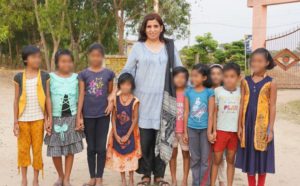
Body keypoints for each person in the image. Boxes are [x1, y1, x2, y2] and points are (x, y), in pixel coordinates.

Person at [114, 13, 182, 186]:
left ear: (161, 28)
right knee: (144, 139)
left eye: (155, 26)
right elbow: (127, 71)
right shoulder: (138, 47)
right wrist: (115, 91)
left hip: (164, 100)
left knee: (162, 138)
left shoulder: (170, 47)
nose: (152, 30)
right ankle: (145, 175)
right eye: (149, 26)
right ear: (145, 29)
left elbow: (179, 70)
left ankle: (159, 176)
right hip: (142, 101)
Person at [236, 48, 277, 186]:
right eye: (253, 61)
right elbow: (242, 103)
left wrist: (270, 129)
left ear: (266, 63)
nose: (255, 63)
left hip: (263, 125)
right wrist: (240, 126)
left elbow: (272, 106)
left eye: (259, 61)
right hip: (247, 124)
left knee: (262, 157)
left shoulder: (271, 82)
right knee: (249, 157)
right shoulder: (245, 81)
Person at [44, 49, 85, 186]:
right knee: (55, 149)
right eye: (63, 61)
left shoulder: (76, 78)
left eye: (69, 61)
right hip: (55, 117)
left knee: (69, 149)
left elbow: (80, 97)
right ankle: (60, 176)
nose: (66, 64)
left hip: (72, 118)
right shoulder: (50, 78)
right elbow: (47, 98)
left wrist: (79, 117)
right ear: (57, 62)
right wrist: (48, 118)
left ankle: (67, 178)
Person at [13, 45, 52, 186]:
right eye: (34, 57)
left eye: (38, 56)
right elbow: (16, 100)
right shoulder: (18, 77)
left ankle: (36, 179)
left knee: (37, 150)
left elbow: (47, 97)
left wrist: (49, 119)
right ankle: (24, 179)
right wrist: (15, 121)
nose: (37, 59)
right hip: (23, 120)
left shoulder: (44, 76)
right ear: (26, 59)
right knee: (23, 150)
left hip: (39, 120)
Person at [77, 43, 115, 186]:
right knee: (91, 147)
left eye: (98, 55)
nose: (95, 58)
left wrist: (111, 102)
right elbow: (81, 94)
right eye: (93, 55)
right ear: (88, 56)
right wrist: (79, 116)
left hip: (103, 116)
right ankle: (92, 177)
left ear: (102, 57)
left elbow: (110, 92)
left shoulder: (109, 73)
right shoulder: (83, 74)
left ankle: (99, 178)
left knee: (100, 147)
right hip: (88, 115)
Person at [106, 73, 141, 186]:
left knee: (131, 157)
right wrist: (115, 134)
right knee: (119, 157)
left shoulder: (135, 100)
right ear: (119, 85)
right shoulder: (115, 99)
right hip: (118, 131)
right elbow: (113, 118)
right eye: (123, 84)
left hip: (131, 132)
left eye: (128, 84)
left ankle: (131, 179)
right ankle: (123, 181)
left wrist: (128, 134)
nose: (125, 87)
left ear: (132, 86)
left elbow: (135, 119)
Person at [183, 64, 215, 186]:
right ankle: (195, 183)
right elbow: (186, 112)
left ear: (204, 78)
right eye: (192, 76)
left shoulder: (209, 92)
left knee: (205, 160)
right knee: (195, 158)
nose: (193, 78)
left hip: (205, 129)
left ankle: (204, 184)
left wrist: (209, 132)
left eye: (196, 76)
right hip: (192, 129)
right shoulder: (188, 92)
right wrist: (185, 132)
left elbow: (211, 114)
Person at [210, 62, 241, 186]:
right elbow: (214, 113)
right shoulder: (217, 91)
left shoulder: (241, 92)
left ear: (238, 77)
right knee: (216, 160)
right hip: (220, 131)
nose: (229, 79)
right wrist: (213, 131)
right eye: (226, 76)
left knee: (230, 161)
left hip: (234, 132)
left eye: (232, 76)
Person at [169, 67, 190, 186]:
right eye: (177, 76)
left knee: (186, 155)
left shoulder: (189, 93)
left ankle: (185, 179)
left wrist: (187, 131)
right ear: (172, 78)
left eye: (183, 77)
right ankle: (173, 179)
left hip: (184, 131)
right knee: (173, 155)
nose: (180, 79)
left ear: (187, 79)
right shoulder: (170, 93)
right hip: (172, 131)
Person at [209, 64, 226, 186]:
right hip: (207, 128)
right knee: (209, 155)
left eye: (218, 73)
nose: (215, 76)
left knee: (221, 157)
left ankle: (222, 180)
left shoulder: (226, 91)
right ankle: (210, 179)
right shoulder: (206, 90)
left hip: (222, 128)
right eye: (212, 73)